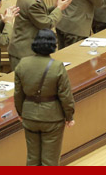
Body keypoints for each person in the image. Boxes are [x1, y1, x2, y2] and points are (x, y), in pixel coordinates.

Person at [14, 29, 75, 166]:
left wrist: (20, 113)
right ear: (53, 45)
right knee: (50, 161)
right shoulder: (57, 67)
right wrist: (69, 116)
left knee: (32, 159)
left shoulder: (22, 64)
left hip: (29, 116)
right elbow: (65, 96)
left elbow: (18, 94)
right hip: (52, 118)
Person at [9, 0, 72, 71]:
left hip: (24, 48)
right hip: (24, 52)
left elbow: (40, 13)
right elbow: (46, 24)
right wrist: (60, 9)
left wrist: (55, 7)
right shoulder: (33, 2)